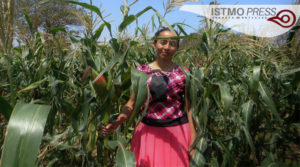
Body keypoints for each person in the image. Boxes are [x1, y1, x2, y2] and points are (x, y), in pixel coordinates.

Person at [102, 27, 196, 167]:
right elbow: (131, 103)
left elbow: (190, 109)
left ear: (177, 48)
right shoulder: (141, 72)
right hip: (148, 132)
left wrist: (193, 142)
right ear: (154, 44)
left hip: (178, 131)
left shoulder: (184, 73)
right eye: (163, 42)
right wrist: (117, 122)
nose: (167, 47)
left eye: (172, 44)